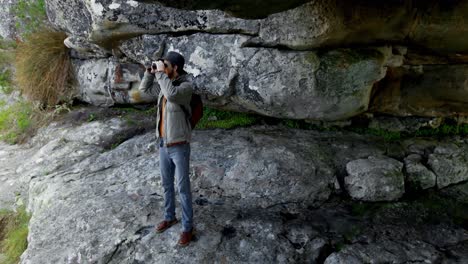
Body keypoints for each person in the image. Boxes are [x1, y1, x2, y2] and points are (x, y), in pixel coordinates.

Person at [139, 51, 194, 246]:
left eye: (166, 66)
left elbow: (172, 95)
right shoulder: (163, 86)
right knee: (166, 185)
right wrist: (149, 72)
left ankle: (188, 228)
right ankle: (169, 216)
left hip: (179, 145)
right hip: (163, 143)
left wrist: (161, 75)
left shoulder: (186, 87)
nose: (163, 69)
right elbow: (144, 89)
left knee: (183, 188)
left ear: (175, 68)